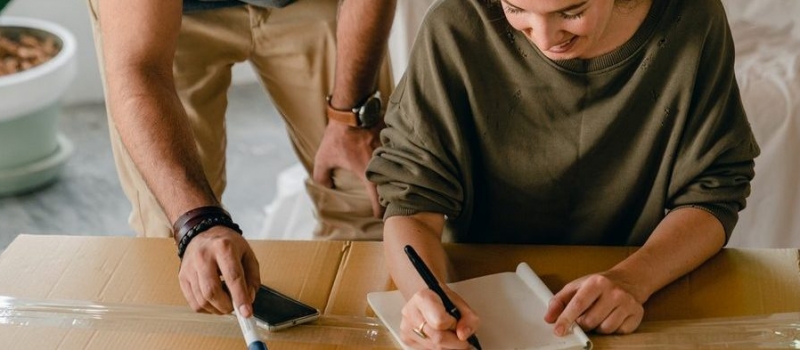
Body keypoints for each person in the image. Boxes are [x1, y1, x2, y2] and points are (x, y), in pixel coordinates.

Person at [366, 0, 760, 348]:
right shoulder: (455, 26)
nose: (544, 38)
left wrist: (633, 280)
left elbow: (713, 193)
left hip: (643, 293)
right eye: (516, 9)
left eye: (572, 12)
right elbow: (412, 202)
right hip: (478, 299)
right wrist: (429, 297)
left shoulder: (692, 18)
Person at [86, 0, 395, 320]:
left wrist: (350, 116)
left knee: (368, 202)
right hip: (168, 16)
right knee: (177, 244)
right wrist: (197, 224)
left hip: (308, 4)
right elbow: (139, 66)